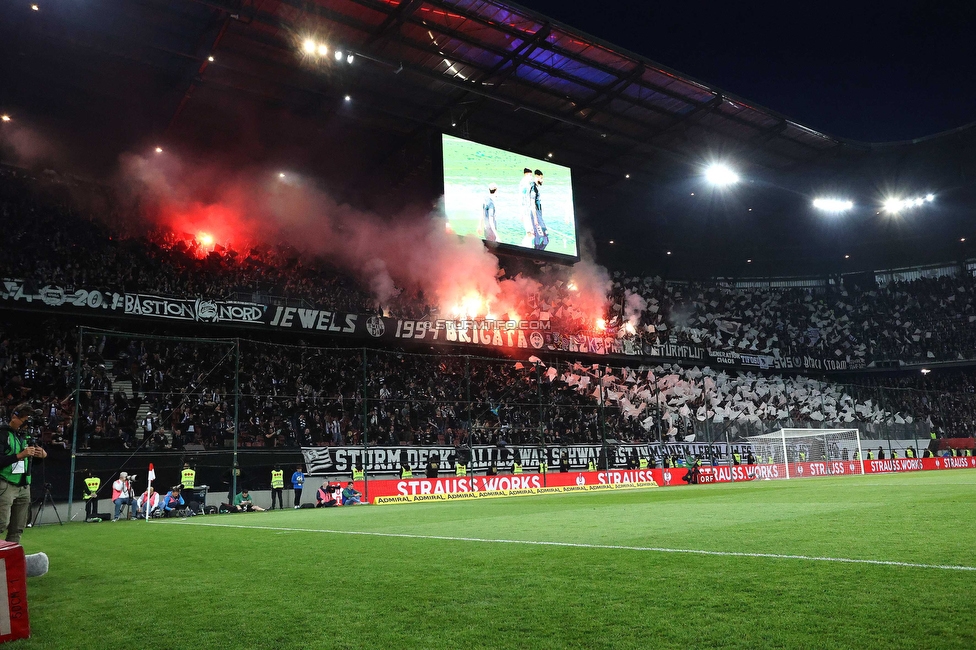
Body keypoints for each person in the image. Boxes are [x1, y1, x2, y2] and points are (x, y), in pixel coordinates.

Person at [0, 404, 48, 541]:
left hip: (24, 485)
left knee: (18, 528)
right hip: (5, 483)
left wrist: (41, 456)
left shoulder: (26, 436)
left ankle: (10, 560)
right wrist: (20, 455)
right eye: (24, 421)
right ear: (14, 417)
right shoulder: (3, 434)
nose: (26, 426)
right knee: (1, 524)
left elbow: (30, 461)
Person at [529, 170, 548, 250]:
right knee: (545, 237)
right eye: (541, 178)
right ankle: (539, 252)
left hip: (538, 214)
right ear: (537, 177)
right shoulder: (533, 189)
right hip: (536, 214)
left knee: (538, 235)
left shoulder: (536, 187)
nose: (542, 180)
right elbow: (532, 204)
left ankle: (536, 252)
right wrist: (536, 219)